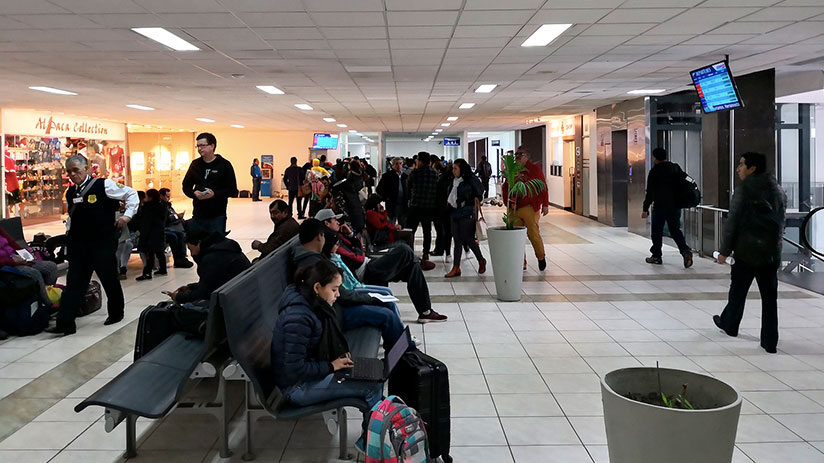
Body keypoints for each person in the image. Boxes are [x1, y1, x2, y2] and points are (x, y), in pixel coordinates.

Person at [270, 259, 383, 453]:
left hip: (311, 372)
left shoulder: (310, 303)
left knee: (376, 371)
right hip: (296, 387)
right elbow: (294, 369)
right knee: (372, 386)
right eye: (334, 289)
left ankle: (374, 436)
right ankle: (371, 446)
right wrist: (332, 366)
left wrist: (337, 360)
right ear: (317, 287)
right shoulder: (298, 318)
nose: (338, 295)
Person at [46, 155, 139, 335]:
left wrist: (127, 216)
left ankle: (116, 313)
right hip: (79, 245)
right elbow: (73, 217)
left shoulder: (104, 185)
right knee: (74, 283)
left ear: (86, 168)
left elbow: (131, 194)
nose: (73, 174)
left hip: (102, 243)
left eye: (76, 170)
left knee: (109, 278)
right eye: (69, 172)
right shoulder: (71, 192)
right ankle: (65, 323)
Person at [317, 209, 447, 323]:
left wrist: (351, 235)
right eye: (334, 220)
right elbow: (356, 257)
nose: (338, 222)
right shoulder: (329, 242)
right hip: (366, 271)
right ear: (326, 223)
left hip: (369, 262)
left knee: (412, 267)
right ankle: (419, 261)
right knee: (404, 249)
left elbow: (359, 249)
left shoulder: (338, 235)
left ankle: (425, 312)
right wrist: (358, 250)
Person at [714, 152, 787, 354]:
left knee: (737, 292)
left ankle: (730, 325)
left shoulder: (745, 189)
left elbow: (733, 221)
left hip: (746, 252)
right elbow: (782, 221)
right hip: (771, 253)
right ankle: (769, 341)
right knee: (770, 299)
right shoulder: (777, 188)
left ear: (752, 168)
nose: (738, 168)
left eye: (742, 164)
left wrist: (724, 251)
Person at [641, 147, 693, 268]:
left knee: (657, 232)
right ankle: (685, 251)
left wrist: (645, 209)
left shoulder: (654, 172)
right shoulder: (675, 168)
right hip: (675, 206)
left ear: (655, 158)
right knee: (675, 230)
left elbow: (650, 193)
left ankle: (656, 256)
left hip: (660, 206)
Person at [170, 228, 251, 303]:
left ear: (198, 243)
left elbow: (204, 293)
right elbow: (213, 282)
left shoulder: (211, 258)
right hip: (244, 291)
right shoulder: (224, 246)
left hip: (233, 300)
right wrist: (191, 287)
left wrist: (179, 297)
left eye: (191, 249)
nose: (192, 254)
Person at [502, 146, 550, 271]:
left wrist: (545, 204)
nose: (517, 157)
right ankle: (521, 261)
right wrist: (506, 201)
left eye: (520, 154)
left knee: (533, 233)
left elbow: (543, 186)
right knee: (516, 235)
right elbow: (506, 186)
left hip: (530, 207)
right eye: (516, 155)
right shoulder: (512, 170)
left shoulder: (534, 169)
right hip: (514, 208)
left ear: (527, 156)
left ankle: (540, 257)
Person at [182, 132, 238, 235]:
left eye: (202, 145)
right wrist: (194, 194)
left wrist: (214, 194)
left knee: (215, 247)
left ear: (212, 146)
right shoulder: (195, 164)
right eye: (198, 146)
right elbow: (186, 186)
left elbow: (233, 191)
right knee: (199, 246)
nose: (199, 149)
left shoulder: (224, 165)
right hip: (198, 215)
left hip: (217, 215)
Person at [445, 159, 487, 278]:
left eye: (455, 168)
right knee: (457, 240)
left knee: (468, 238)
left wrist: (473, 199)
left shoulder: (470, 179)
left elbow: (480, 191)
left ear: (462, 169)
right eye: (453, 168)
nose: (453, 171)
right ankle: (456, 267)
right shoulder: (453, 180)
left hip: (467, 212)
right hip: (454, 212)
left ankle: (481, 260)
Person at [0, 227, 58, 305]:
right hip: (6, 266)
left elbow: (12, 243)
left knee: (51, 267)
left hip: (17, 258)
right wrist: (14, 262)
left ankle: (48, 294)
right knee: (34, 273)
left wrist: (26, 255)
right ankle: (48, 304)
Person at [406, 152, 438, 270]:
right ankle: (425, 253)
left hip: (415, 206)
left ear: (420, 161)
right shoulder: (435, 173)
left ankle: (410, 252)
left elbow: (408, 186)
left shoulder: (415, 173)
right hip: (429, 207)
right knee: (427, 231)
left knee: (411, 231)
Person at [134, 189, 168, 281]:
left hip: (150, 235)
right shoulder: (161, 206)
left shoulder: (148, 208)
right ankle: (163, 269)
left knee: (149, 254)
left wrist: (143, 236)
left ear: (150, 197)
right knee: (160, 252)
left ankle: (147, 273)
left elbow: (146, 224)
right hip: (159, 232)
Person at [159, 188, 193, 268]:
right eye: (167, 196)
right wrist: (176, 217)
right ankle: (179, 258)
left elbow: (172, 214)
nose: (169, 198)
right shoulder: (161, 207)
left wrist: (178, 216)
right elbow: (165, 220)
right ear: (161, 196)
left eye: (169, 196)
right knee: (179, 234)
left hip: (176, 224)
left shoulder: (169, 205)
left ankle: (182, 257)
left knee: (192, 225)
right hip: (170, 227)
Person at [375, 157, 408, 226]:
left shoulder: (405, 176)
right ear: (392, 165)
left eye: (400, 163)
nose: (399, 166)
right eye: (396, 164)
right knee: (391, 224)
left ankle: (401, 236)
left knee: (403, 224)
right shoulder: (387, 176)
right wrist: (386, 198)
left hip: (403, 204)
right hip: (392, 204)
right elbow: (379, 189)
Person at [431, 160, 453, 257]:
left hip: (440, 208)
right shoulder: (453, 180)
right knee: (448, 231)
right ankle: (447, 252)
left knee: (441, 230)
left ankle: (441, 250)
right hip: (449, 209)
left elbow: (437, 194)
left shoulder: (442, 180)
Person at [114, 202, 133, 280]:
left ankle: (122, 268)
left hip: (123, 235)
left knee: (127, 245)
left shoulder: (125, 213)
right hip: (116, 236)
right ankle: (119, 269)